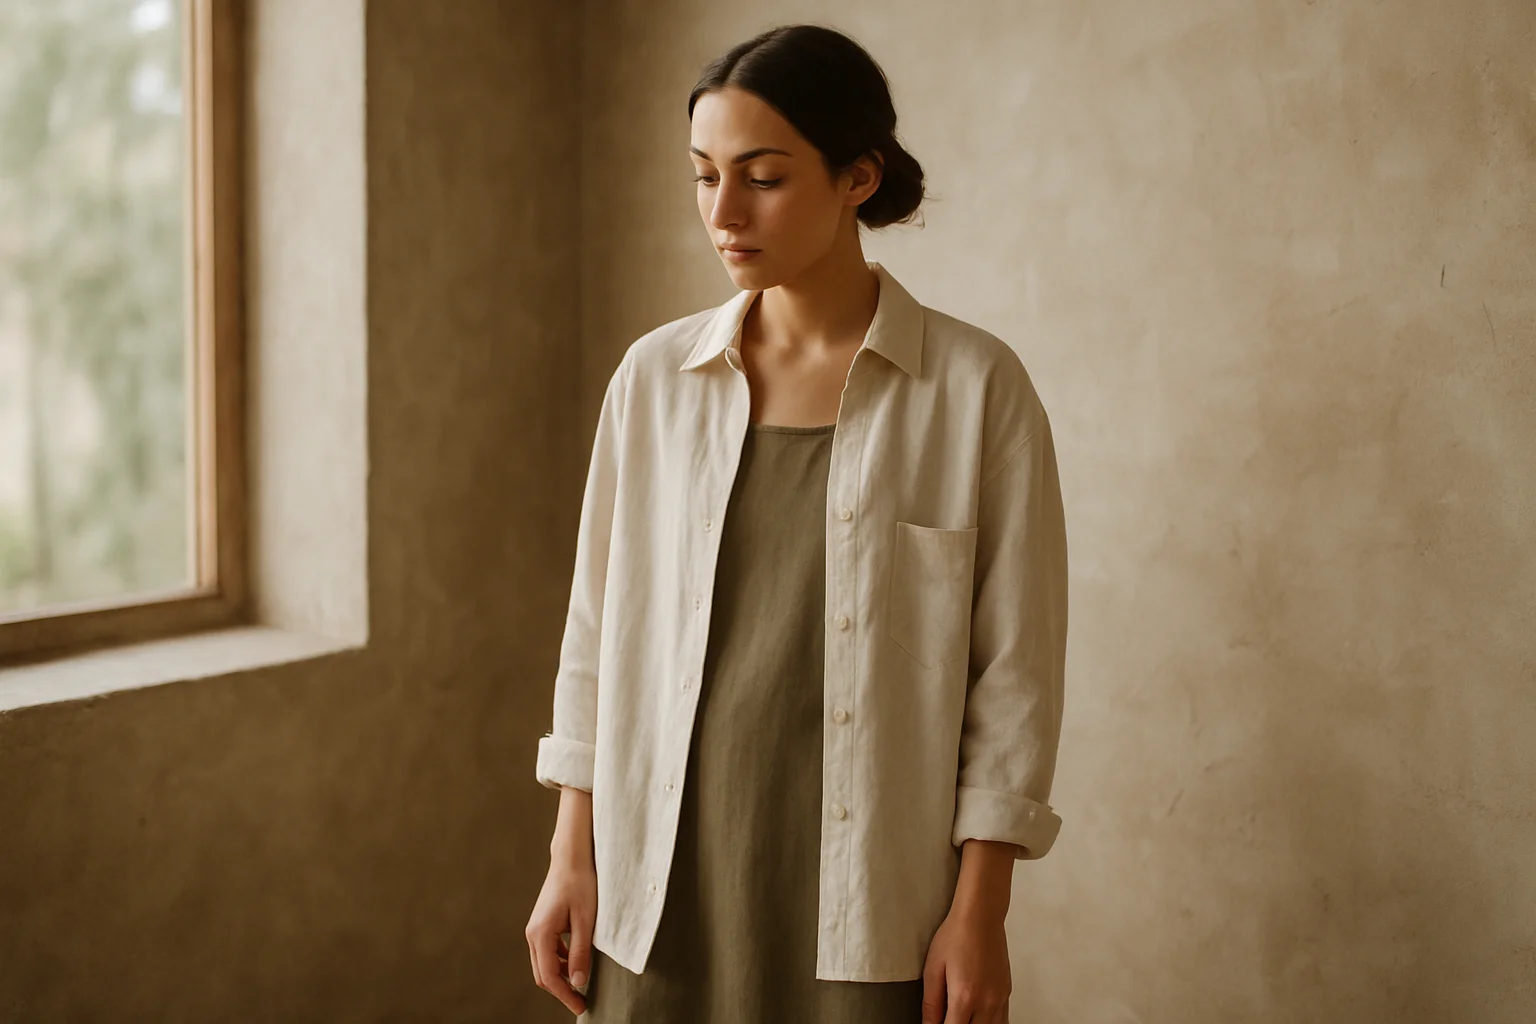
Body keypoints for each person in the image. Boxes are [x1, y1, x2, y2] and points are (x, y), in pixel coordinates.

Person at [526, 23, 1069, 1024]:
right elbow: (596, 635)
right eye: (703, 175)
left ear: (857, 177)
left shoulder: (974, 392)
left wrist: (980, 911)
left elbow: (1015, 677)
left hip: (869, 898)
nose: (722, 213)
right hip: (662, 883)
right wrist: (571, 854)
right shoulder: (654, 384)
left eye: (762, 177)